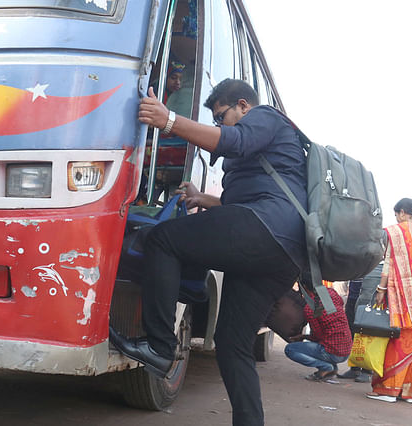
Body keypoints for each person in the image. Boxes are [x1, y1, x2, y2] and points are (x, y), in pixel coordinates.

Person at [111, 78, 308, 426]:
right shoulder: (270, 149)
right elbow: (244, 201)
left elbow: (237, 141)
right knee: (232, 344)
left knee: (164, 239)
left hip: (266, 229)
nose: (219, 125)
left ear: (243, 106)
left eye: (221, 116)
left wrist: (168, 119)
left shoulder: (265, 117)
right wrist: (204, 199)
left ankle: (159, 348)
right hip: (280, 250)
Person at [367, 198, 412, 404]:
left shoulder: (397, 232)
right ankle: (411, 392)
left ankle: (389, 389)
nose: (396, 218)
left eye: (397, 214)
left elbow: (388, 263)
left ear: (403, 213)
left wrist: (381, 289)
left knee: (398, 338)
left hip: (404, 294)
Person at [285, 287, 351, 381]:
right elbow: (340, 303)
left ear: (304, 288)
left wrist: (303, 336)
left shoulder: (310, 308)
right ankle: (332, 368)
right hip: (346, 351)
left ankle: (325, 367)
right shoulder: (331, 292)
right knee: (328, 340)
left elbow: (318, 336)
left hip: (332, 352)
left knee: (290, 349)